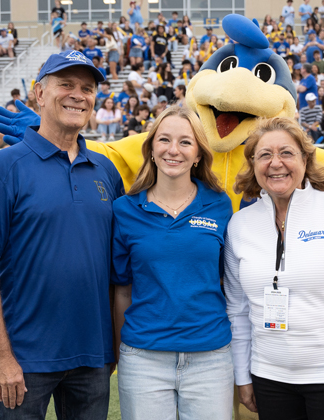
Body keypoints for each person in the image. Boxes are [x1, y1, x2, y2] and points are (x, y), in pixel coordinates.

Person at [0, 51, 121, 420]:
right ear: (39, 93)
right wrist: (1, 357)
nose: (78, 94)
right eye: (65, 84)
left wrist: (112, 347)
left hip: (93, 357)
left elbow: (117, 269)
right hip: (24, 358)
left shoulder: (105, 171)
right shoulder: (5, 167)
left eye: (87, 88)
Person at [226, 116, 324, 419]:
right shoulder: (239, 224)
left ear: (306, 159)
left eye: (286, 153)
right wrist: (243, 376)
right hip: (268, 377)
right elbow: (237, 309)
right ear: (253, 164)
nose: (275, 163)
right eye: (264, 155)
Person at [112, 106, 234, 420]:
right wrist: (119, 352)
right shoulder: (124, 210)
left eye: (185, 142)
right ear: (151, 149)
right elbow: (122, 290)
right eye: (164, 140)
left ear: (198, 154)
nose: (173, 150)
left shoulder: (220, 205)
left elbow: (227, 281)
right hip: (143, 359)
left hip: (210, 356)